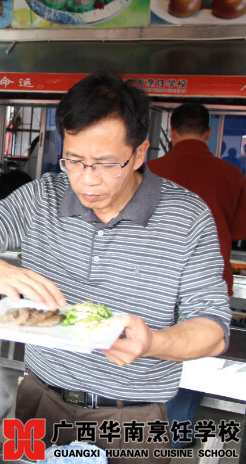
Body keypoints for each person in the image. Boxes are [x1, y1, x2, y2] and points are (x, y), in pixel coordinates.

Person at [0, 71, 231, 462]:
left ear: (140, 153)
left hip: (132, 418)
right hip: (41, 401)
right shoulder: (44, 196)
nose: (87, 180)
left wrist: (154, 344)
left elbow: (213, 329)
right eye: (75, 160)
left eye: (107, 164)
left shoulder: (187, 216)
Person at [148, 102, 246, 447]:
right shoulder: (232, 175)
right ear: (208, 133)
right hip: (208, 288)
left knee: (147, 351)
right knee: (194, 361)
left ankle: (142, 430)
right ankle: (177, 435)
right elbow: (238, 230)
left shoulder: (148, 171)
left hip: (151, 284)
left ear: (171, 132)